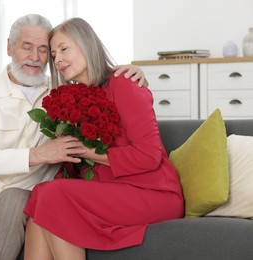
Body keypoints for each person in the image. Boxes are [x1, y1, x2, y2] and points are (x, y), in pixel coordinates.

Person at [0, 14, 147, 260]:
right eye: (27, 47)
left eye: (44, 50)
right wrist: (38, 154)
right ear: (10, 47)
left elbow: (100, 79)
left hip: (23, 188)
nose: (35, 57)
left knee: (11, 211)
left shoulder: (63, 90)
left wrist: (135, 70)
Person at [23, 17, 184, 260]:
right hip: (109, 191)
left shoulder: (124, 83)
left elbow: (149, 156)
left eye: (64, 49)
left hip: (152, 192)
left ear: (86, 44)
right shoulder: (71, 100)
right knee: (39, 206)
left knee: (51, 195)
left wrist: (86, 152)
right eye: (54, 55)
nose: (58, 60)